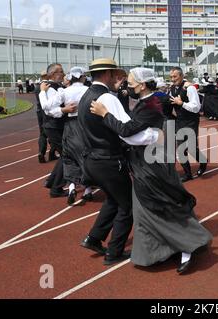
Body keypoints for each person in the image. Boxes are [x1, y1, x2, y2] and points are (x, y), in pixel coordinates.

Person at [90, 67, 212, 274]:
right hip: (145, 162)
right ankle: (157, 252)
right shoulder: (148, 101)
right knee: (143, 211)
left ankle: (188, 246)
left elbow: (128, 131)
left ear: (143, 85)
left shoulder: (152, 103)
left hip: (152, 164)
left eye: (131, 83)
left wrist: (106, 115)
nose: (128, 86)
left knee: (161, 204)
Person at [78, 58, 159, 266]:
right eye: (115, 74)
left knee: (114, 200)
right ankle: (114, 252)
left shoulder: (85, 96)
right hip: (109, 160)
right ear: (107, 74)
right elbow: (127, 133)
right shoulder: (108, 98)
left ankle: (94, 238)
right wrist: (155, 136)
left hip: (91, 160)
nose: (119, 79)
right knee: (128, 206)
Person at [41, 66, 93, 205]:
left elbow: (47, 107)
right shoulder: (89, 90)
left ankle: (71, 188)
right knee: (86, 155)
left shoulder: (64, 91)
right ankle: (88, 190)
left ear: (70, 77)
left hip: (69, 126)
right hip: (84, 124)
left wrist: (43, 94)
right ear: (82, 77)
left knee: (69, 157)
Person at [39, 63, 77, 198]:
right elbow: (48, 110)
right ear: (52, 74)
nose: (63, 73)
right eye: (60, 71)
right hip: (53, 126)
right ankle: (56, 187)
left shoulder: (56, 87)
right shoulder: (49, 88)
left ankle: (52, 182)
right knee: (67, 155)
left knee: (65, 155)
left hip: (56, 126)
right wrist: (64, 110)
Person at [169, 67, 208, 182]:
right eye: (171, 77)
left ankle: (203, 161)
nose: (172, 79)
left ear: (181, 76)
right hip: (180, 121)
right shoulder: (172, 88)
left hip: (191, 121)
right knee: (181, 149)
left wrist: (181, 104)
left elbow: (196, 108)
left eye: (175, 76)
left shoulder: (190, 88)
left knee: (189, 148)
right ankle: (188, 174)